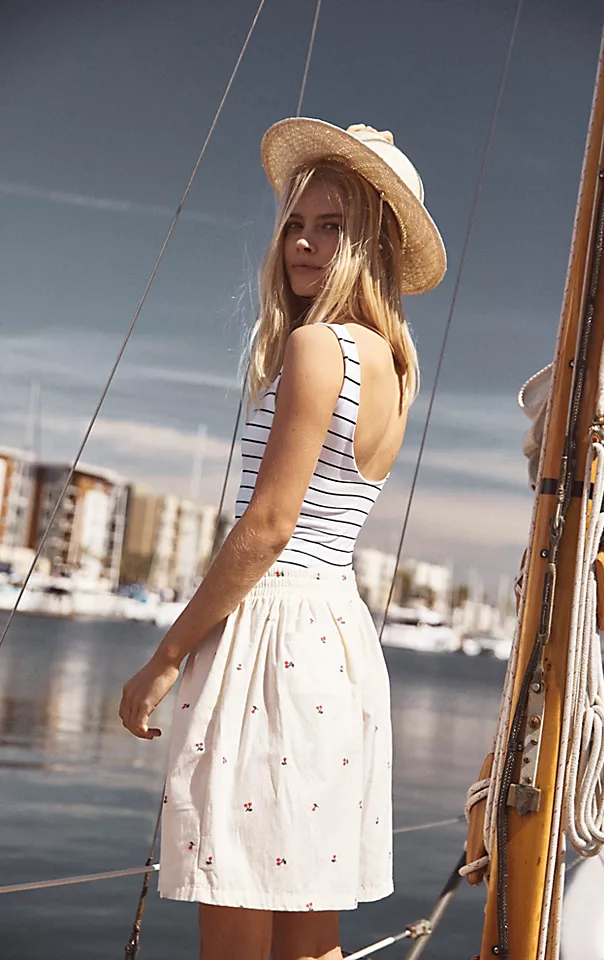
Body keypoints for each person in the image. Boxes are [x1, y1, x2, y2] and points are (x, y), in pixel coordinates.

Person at [119, 118, 446, 960]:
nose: (303, 241)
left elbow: (266, 529)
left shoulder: (314, 348)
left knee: (234, 910)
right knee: (308, 930)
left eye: (331, 226)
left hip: (271, 639)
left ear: (369, 238)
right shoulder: (395, 367)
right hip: (336, 641)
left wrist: (163, 659)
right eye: (296, 223)